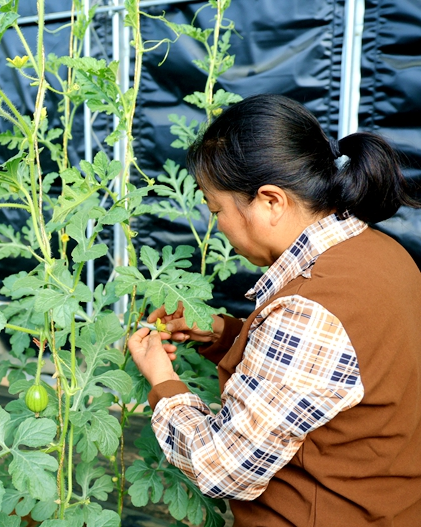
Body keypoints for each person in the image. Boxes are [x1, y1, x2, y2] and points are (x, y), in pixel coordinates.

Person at [128, 94, 421, 526]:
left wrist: (162, 382)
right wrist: (224, 334)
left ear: (270, 201)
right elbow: (334, 375)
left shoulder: (308, 312)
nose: (218, 225)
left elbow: (223, 467)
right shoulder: (385, 253)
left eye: (216, 209)